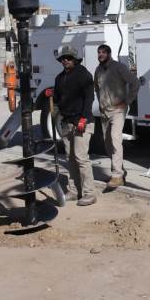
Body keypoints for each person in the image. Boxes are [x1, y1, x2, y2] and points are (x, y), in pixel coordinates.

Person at [51, 45, 97, 206]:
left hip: (82, 122)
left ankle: (90, 193)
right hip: (66, 122)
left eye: (68, 58)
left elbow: (89, 98)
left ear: (75, 60)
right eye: (63, 58)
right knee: (70, 158)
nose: (65, 61)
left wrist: (84, 118)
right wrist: (51, 95)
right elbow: (57, 99)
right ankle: (73, 190)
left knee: (81, 158)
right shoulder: (59, 78)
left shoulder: (83, 75)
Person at [94, 44, 140, 188]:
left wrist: (127, 101)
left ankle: (117, 175)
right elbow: (97, 89)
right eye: (98, 52)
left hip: (118, 111)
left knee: (115, 140)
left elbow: (135, 82)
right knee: (108, 145)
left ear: (109, 53)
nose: (100, 55)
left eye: (103, 52)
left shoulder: (119, 67)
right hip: (105, 112)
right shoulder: (98, 70)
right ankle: (121, 170)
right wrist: (101, 105)